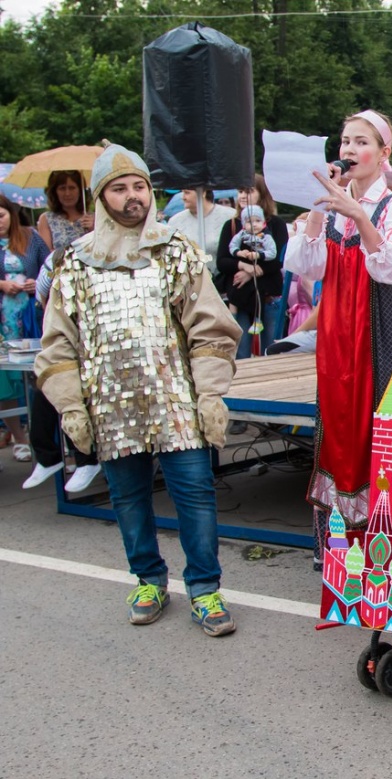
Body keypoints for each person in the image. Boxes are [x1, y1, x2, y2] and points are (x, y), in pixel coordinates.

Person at [34, 143, 243, 637]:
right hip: (110, 407)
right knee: (128, 498)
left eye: (140, 187)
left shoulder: (175, 251)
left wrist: (210, 394)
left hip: (176, 401)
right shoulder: (76, 263)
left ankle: (205, 588)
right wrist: (71, 407)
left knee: (194, 494)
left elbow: (210, 329)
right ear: (100, 196)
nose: (133, 197)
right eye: (120, 188)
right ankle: (148, 579)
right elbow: (58, 343)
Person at [284, 109, 392, 531]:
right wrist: (320, 208)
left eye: (361, 142)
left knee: (380, 423)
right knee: (337, 421)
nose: (350, 150)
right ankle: (339, 548)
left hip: (380, 329)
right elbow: (308, 266)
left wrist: (358, 213)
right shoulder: (330, 207)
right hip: (337, 334)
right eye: (345, 142)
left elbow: (389, 269)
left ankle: (384, 543)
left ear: (383, 153)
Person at [24, 247, 102, 492]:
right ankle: (51, 458)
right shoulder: (55, 270)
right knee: (48, 388)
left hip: (98, 350)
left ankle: (86, 459)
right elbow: (42, 293)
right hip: (69, 346)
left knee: (70, 394)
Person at [216, 173, 289, 358]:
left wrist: (252, 273)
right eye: (240, 191)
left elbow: (279, 259)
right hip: (240, 297)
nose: (242, 196)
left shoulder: (276, 224)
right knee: (240, 352)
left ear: (262, 193)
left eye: (248, 191)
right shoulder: (232, 225)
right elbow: (222, 261)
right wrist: (244, 266)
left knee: (271, 350)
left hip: (268, 296)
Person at [0, 193, 48, 464]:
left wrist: (36, 282)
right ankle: (18, 437)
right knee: (5, 382)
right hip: (3, 319)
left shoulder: (30, 237)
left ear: (12, 213)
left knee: (38, 374)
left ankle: (45, 437)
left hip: (32, 314)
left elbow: (51, 265)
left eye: (1, 215)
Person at [167, 188, 236, 269]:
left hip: (223, 277)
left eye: (187, 193)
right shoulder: (175, 221)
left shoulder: (230, 216)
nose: (183, 197)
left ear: (203, 193)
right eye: (182, 193)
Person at [36, 169, 94, 251]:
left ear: (80, 191)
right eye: (62, 188)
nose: (67, 193)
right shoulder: (46, 219)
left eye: (72, 188)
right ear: (55, 192)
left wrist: (93, 229)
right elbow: (45, 253)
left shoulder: (94, 218)